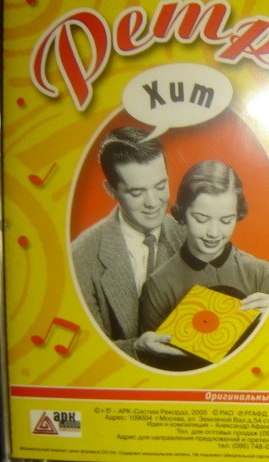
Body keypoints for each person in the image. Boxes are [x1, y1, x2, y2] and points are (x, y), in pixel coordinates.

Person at [139, 160, 269, 370]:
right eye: (201, 219)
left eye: (226, 220)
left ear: (238, 214)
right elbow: (154, 368)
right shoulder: (158, 285)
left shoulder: (262, 273)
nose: (213, 233)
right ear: (182, 213)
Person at [72, 126, 187, 361]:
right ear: (111, 190)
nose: (153, 202)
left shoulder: (191, 233)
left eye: (160, 186)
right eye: (136, 193)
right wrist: (135, 348)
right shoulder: (80, 255)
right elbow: (84, 351)